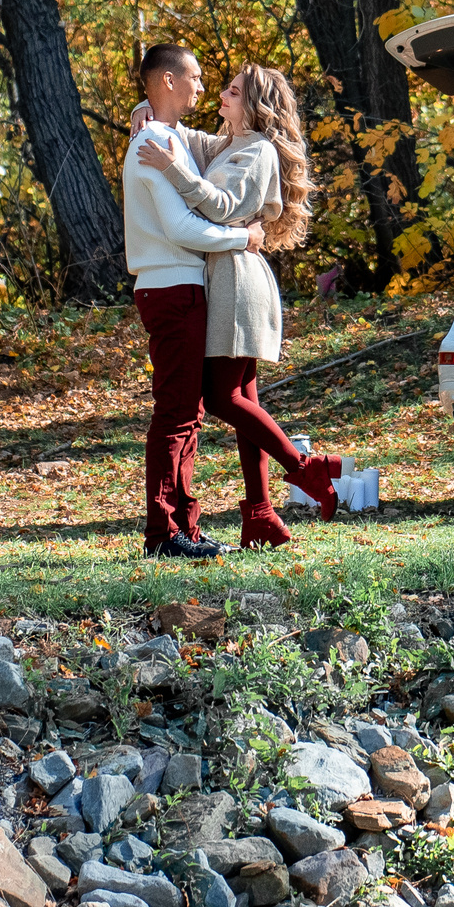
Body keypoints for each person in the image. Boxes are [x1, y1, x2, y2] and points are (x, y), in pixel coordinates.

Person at [132, 58, 338, 549]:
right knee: (245, 400)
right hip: (225, 274)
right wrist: (146, 106)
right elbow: (179, 130)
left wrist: (172, 169)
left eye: (232, 91)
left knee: (222, 397)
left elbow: (221, 207)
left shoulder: (259, 149)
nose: (219, 95)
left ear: (254, 105)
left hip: (237, 279)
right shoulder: (226, 143)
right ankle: (261, 514)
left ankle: (304, 467)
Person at [123, 44, 267, 559]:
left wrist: (142, 108)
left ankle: (185, 529)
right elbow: (181, 227)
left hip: (182, 286)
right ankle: (164, 535)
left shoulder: (170, 137)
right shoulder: (152, 142)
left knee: (189, 413)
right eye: (197, 78)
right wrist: (243, 238)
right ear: (168, 80)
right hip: (170, 288)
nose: (203, 88)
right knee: (177, 413)